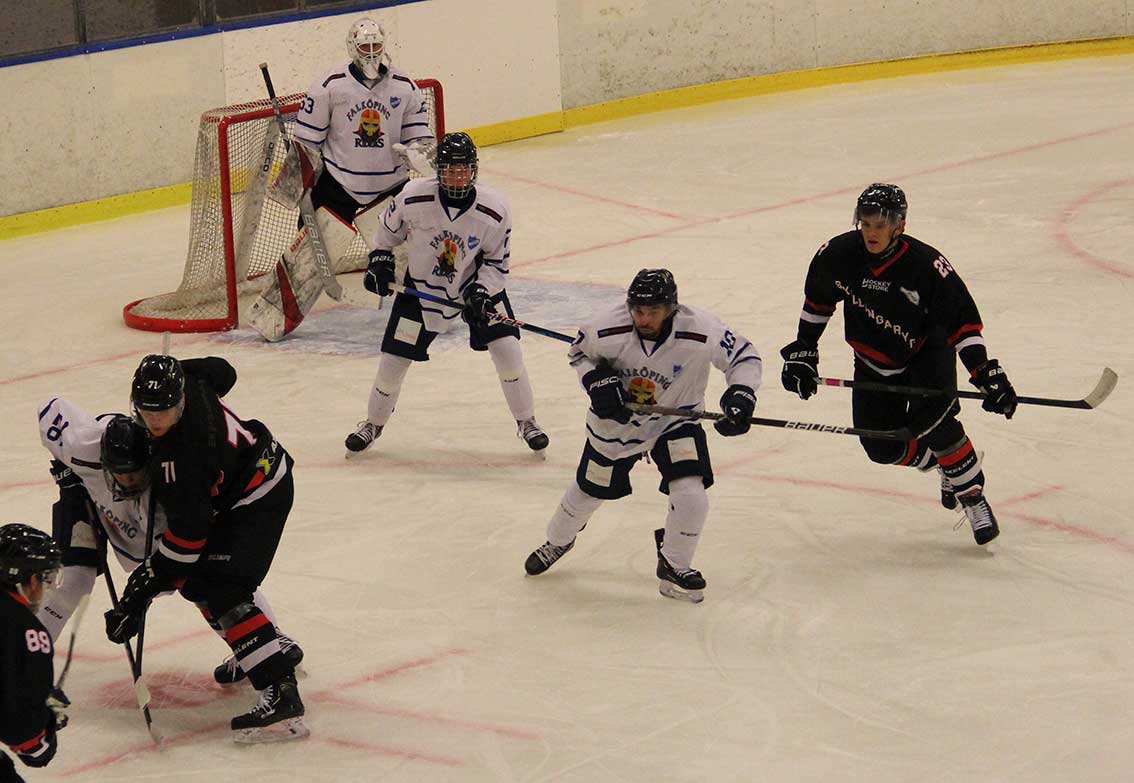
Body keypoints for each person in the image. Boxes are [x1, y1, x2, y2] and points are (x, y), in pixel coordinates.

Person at [779, 183, 1018, 546]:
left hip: (926, 354)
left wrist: (984, 371)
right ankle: (945, 464)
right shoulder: (838, 254)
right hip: (871, 358)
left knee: (935, 425)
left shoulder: (927, 266)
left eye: (880, 225)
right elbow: (818, 304)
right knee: (882, 447)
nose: (871, 233)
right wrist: (804, 351)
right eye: (866, 224)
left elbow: (963, 325)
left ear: (899, 225)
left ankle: (971, 496)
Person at [523, 269, 762, 603]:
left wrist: (741, 394)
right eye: (638, 310)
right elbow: (579, 354)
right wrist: (595, 382)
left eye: (653, 311)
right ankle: (558, 541)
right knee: (587, 494)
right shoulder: (606, 326)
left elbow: (744, 356)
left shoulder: (702, 328)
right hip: (616, 428)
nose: (644, 319)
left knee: (692, 494)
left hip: (675, 422)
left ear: (672, 308)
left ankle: (674, 563)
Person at [104, 355, 308, 744]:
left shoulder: (181, 460)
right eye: (148, 410)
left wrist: (142, 588)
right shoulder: (193, 382)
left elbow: (187, 544)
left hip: (260, 495)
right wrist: (177, 370)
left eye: (164, 410)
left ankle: (280, 690)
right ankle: (259, 648)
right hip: (249, 478)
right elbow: (223, 371)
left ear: (179, 401)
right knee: (199, 583)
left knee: (222, 587)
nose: (155, 420)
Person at [35, 398, 303, 693]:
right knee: (74, 579)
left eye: (136, 473)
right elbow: (50, 410)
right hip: (83, 501)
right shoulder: (83, 443)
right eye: (121, 473)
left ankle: (267, 641)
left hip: (138, 523)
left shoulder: (163, 497)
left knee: (204, 577)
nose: (128, 481)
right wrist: (66, 472)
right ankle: (25, 666)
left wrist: (133, 605)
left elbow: (168, 569)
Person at [346, 131, 549, 455]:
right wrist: (380, 261)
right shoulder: (413, 197)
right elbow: (386, 233)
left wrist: (481, 292)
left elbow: (496, 264)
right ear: (438, 171)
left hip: (474, 288)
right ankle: (372, 423)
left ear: (474, 170)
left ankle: (527, 422)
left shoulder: (494, 209)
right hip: (420, 290)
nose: (457, 177)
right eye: (451, 170)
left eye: (463, 170)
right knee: (393, 362)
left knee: (508, 351)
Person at [248, 16, 437, 340]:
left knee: (412, 253)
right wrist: (293, 186)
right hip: (338, 184)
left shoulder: (405, 87)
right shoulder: (329, 85)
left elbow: (420, 137)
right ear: (352, 47)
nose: (371, 52)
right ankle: (274, 315)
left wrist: (417, 153)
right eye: (365, 46)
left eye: (376, 45)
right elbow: (307, 142)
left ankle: (430, 310)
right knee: (310, 255)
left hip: (389, 187)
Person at [1, 524, 64, 780]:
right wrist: (47, 719)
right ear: (31, 580)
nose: (45, 588)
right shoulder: (29, 633)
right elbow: (29, 743)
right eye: (45, 578)